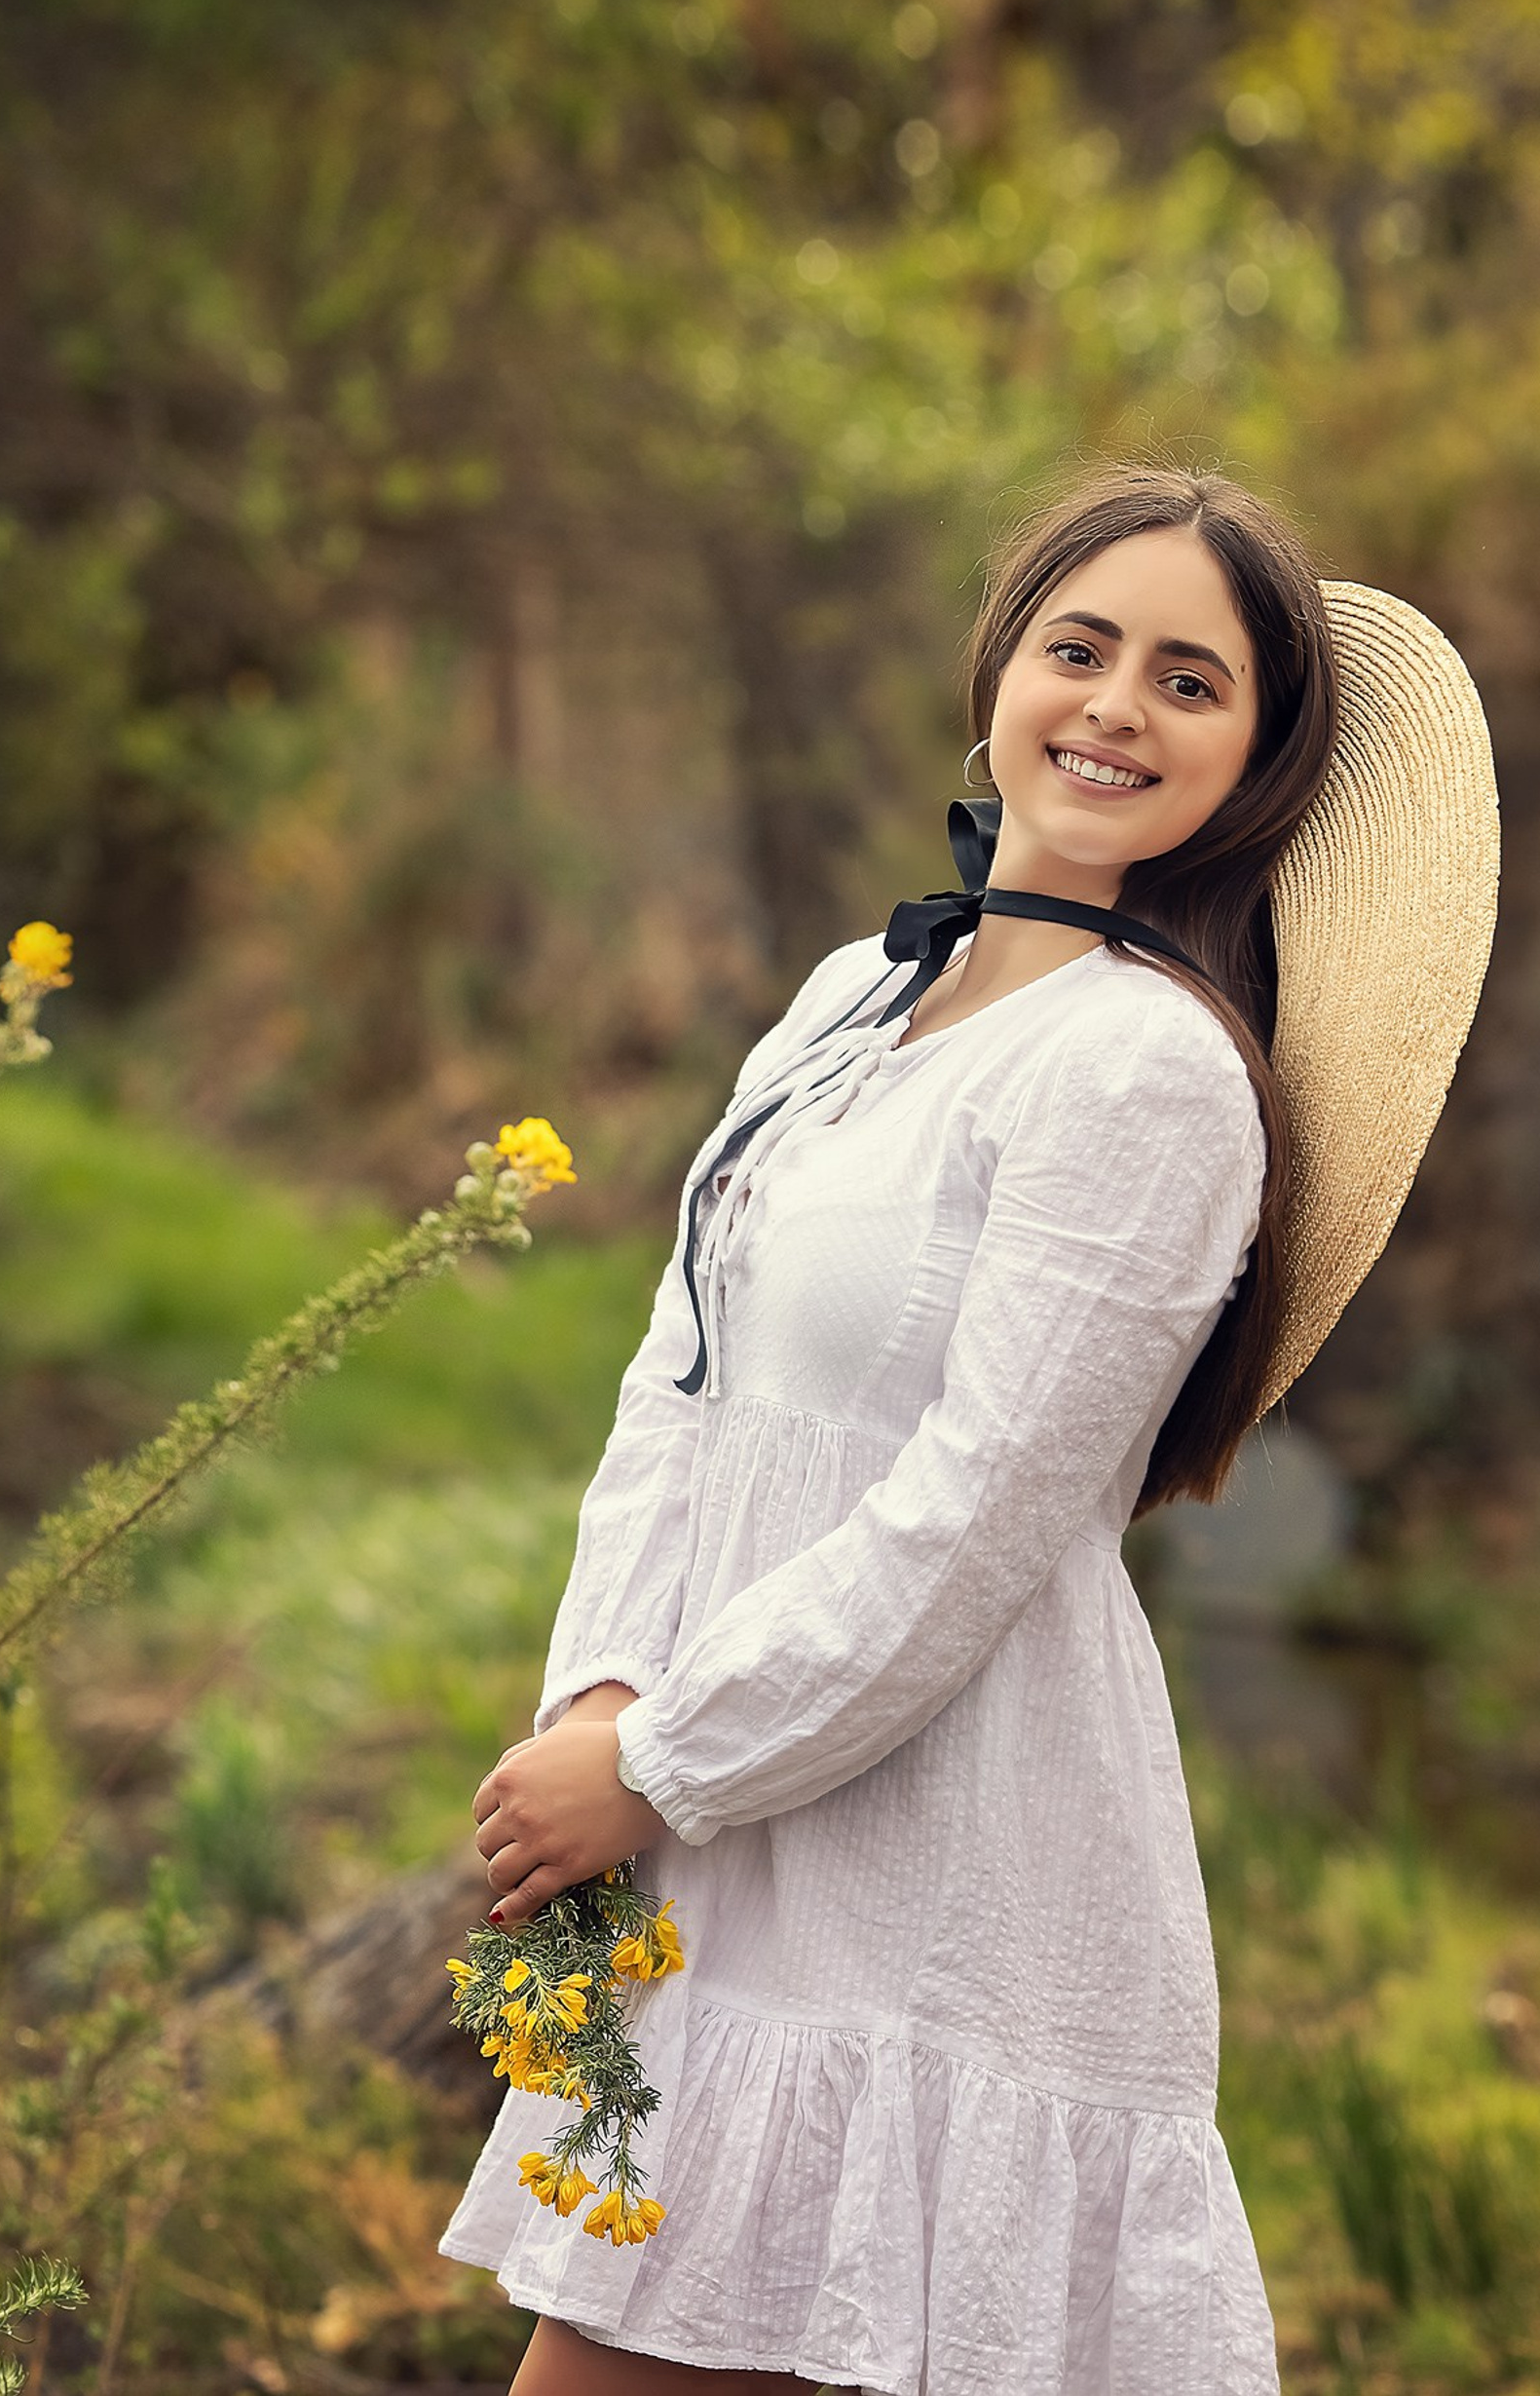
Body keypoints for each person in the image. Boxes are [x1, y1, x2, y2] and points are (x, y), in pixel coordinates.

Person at [435, 462, 1501, 2396]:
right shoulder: (854, 996)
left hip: (940, 1872)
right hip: (721, 1817)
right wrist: (594, 1689)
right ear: (995, 670)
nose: (1111, 704)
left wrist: (666, 1757)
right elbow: (678, 1382)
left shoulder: (1149, 1067)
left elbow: (973, 1514)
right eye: (1076, 646)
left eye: (1188, 680)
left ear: (1253, 759)